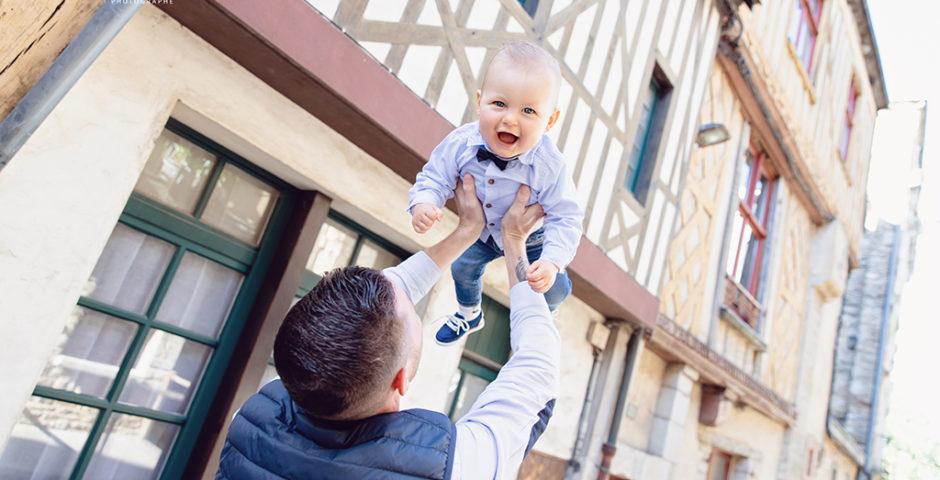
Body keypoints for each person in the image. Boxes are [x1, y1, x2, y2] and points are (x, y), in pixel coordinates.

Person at [216, 176, 561, 480]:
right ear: (401, 381)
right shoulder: (451, 465)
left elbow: (389, 289)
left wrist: (467, 233)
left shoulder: (256, 416)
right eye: (412, 314)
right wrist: (514, 240)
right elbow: (538, 365)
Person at [408, 41, 584, 346]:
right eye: (499, 104)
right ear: (479, 103)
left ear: (550, 121)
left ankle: (547, 308)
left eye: (528, 110)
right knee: (463, 268)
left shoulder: (550, 166)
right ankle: (469, 313)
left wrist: (553, 260)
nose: (510, 119)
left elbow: (567, 216)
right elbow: (435, 175)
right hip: (484, 232)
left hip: (534, 240)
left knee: (547, 285)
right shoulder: (461, 144)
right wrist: (425, 202)